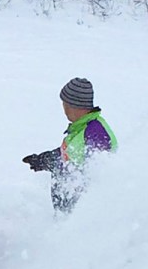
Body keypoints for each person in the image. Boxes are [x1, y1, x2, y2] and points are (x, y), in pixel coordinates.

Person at [23, 77, 118, 213]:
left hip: (82, 220)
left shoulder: (96, 133)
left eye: (64, 104)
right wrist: (43, 160)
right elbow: (68, 156)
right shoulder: (82, 128)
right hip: (67, 218)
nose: (64, 109)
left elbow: (99, 176)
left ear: (74, 105)